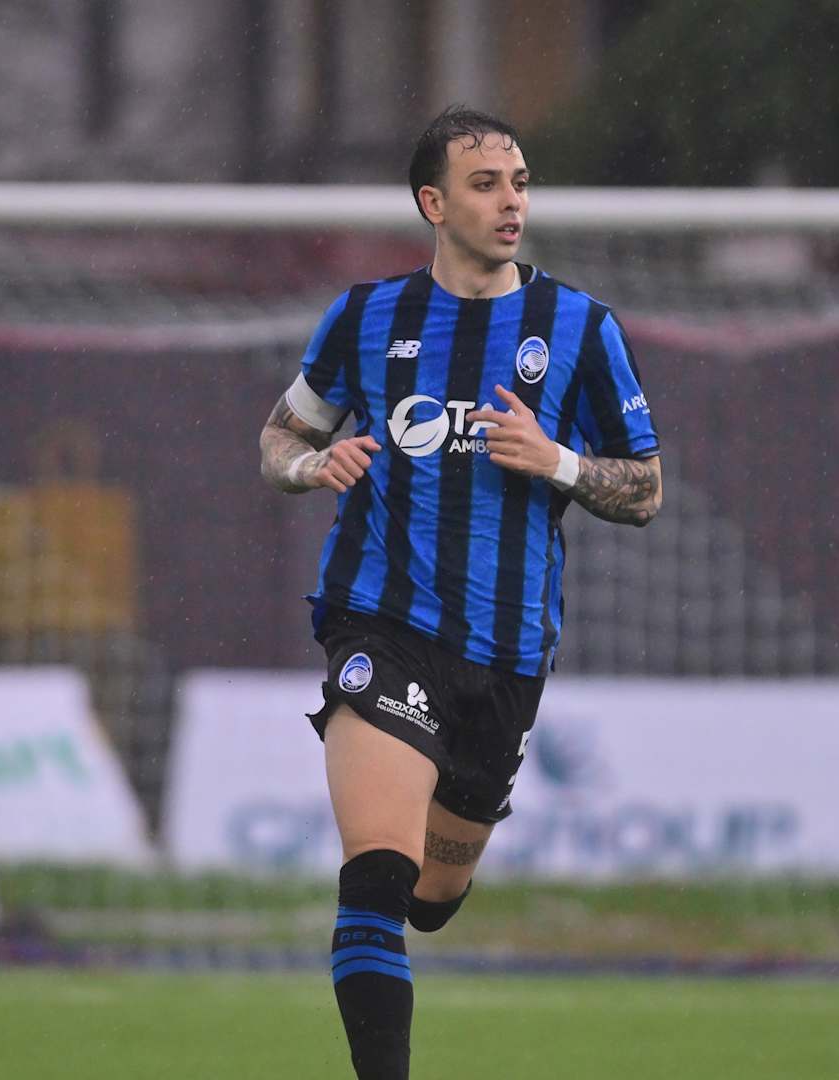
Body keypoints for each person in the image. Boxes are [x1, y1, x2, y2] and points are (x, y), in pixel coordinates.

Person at [259, 105, 661, 1079]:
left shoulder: (580, 328)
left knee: (430, 900)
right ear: (433, 203)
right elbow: (281, 434)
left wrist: (558, 460)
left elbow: (645, 489)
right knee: (375, 881)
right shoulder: (366, 317)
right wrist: (308, 468)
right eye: (486, 185)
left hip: (508, 655)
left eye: (519, 182)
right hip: (382, 623)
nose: (511, 201)